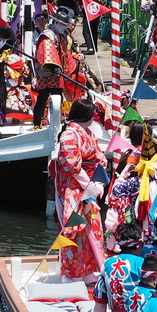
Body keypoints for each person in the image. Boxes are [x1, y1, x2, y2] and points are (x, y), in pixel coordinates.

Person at [50, 99, 104, 279]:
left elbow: (99, 158)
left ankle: (87, 270)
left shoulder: (88, 133)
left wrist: (96, 183)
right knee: (75, 229)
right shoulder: (69, 135)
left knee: (92, 227)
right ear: (85, 116)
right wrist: (88, 184)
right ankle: (70, 274)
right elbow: (71, 165)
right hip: (73, 187)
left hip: (88, 183)